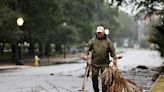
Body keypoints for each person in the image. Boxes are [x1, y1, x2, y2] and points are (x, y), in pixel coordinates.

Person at [81, 26, 117, 92]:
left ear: (103, 33)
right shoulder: (93, 40)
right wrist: (86, 54)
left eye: (100, 33)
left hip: (105, 64)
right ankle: (96, 90)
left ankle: (104, 90)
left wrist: (114, 58)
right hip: (95, 64)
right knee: (94, 78)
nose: (99, 34)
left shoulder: (108, 41)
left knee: (105, 79)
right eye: (98, 33)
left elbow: (112, 50)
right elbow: (87, 47)